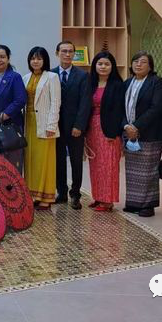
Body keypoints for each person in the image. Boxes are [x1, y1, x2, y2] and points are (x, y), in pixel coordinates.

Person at [120, 51, 162, 217]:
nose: (138, 64)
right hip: (129, 134)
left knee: (148, 171)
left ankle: (148, 205)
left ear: (150, 66)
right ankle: (133, 202)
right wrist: (126, 126)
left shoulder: (156, 82)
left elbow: (156, 108)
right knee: (132, 171)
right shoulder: (127, 83)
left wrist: (136, 126)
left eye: (143, 62)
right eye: (135, 61)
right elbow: (120, 107)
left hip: (149, 134)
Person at [52, 40, 92, 210]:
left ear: (74, 54)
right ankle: (61, 192)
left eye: (70, 51)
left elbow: (85, 103)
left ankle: (75, 194)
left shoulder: (83, 76)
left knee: (76, 161)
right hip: (56, 127)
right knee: (58, 161)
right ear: (57, 53)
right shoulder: (51, 74)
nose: (67, 54)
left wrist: (79, 125)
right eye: (64, 51)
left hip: (75, 127)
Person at [22, 47, 61, 209]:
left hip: (45, 125)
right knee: (30, 160)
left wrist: (52, 125)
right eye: (33, 58)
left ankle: (46, 197)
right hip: (29, 123)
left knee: (45, 161)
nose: (35, 61)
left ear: (45, 60)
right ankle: (32, 195)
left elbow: (56, 102)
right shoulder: (25, 77)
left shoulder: (52, 77)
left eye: (39, 58)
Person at [85, 51, 124, 212]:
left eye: (107, 64)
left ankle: (108, 201)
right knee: (95, 165)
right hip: (92, 129)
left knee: (108, 166)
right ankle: (98, 196)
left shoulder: (117, 85)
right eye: (100, 64)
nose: (103, 67)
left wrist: (114, 132)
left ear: (112, 66)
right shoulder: (91, 83)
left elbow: (119, 111)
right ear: (95, 66)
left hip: (109, 129)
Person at [0, 44, 27, 174]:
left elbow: (20, 100)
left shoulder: (14, 77)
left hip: (10, 127)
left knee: (11, 164)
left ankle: (11, 187)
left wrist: (1, 116)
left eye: (2, 57)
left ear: (8, 59)